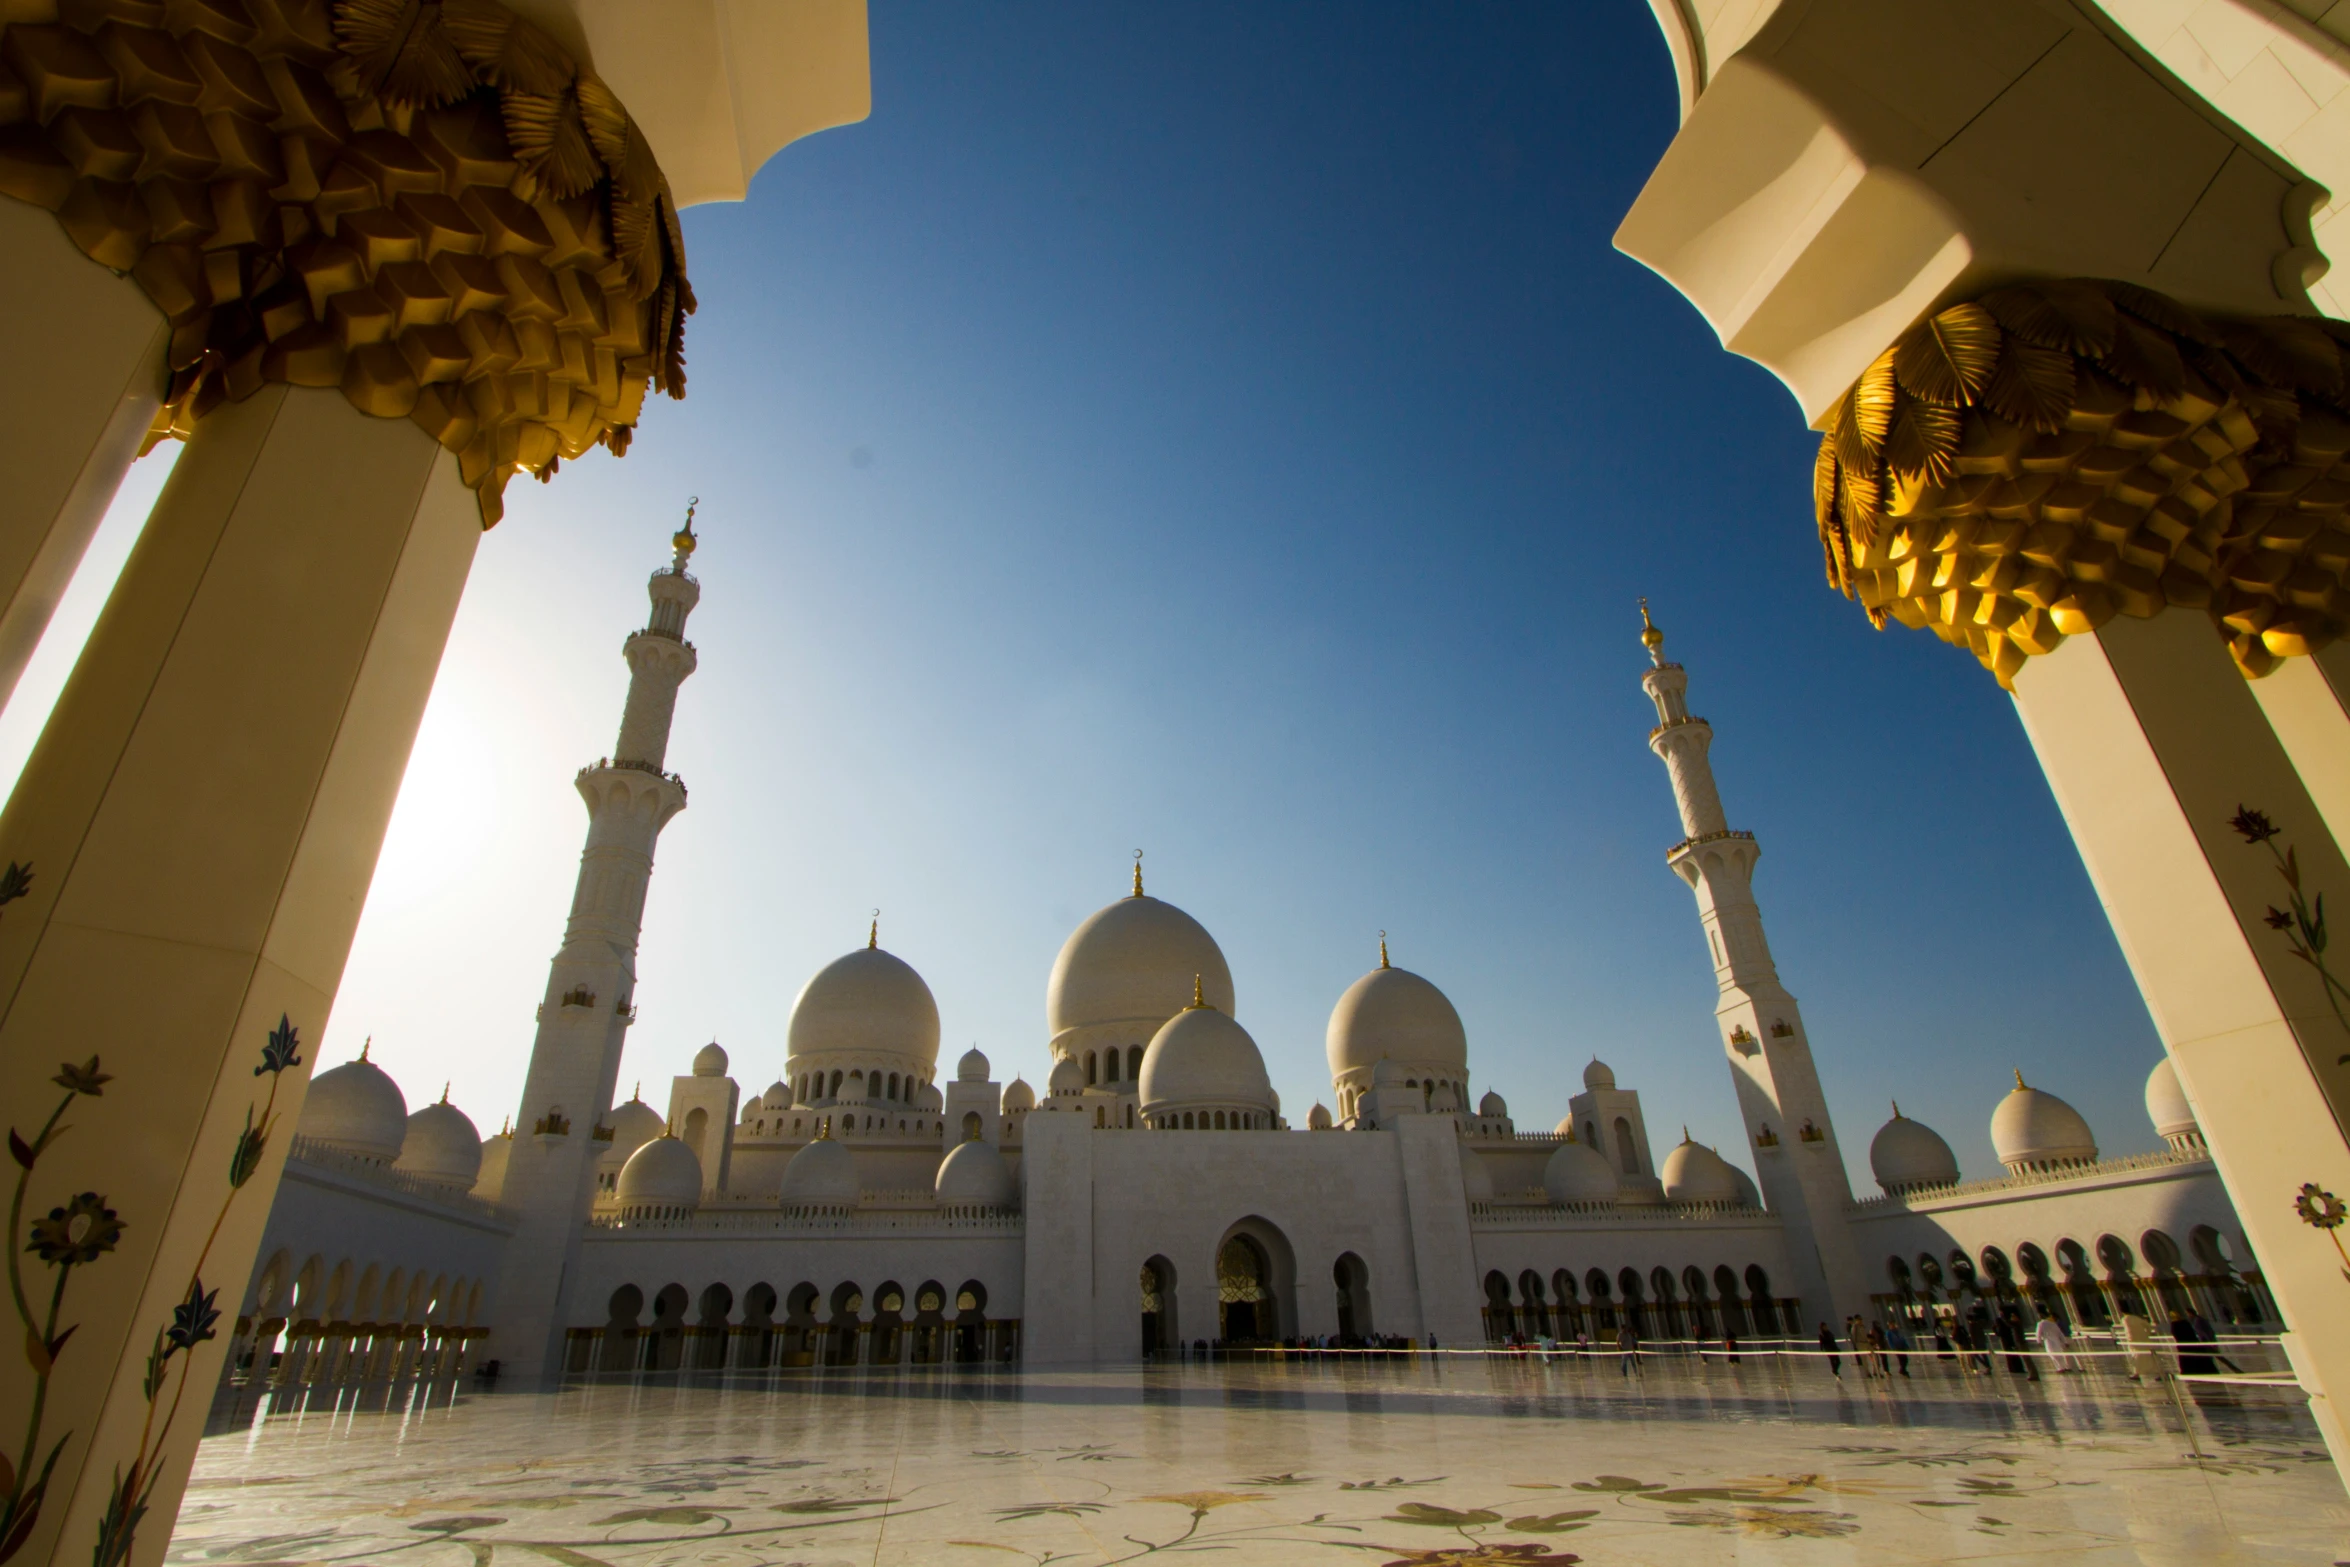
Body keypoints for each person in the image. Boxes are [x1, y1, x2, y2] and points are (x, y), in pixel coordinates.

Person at [1996, 1308, 2038, 1381]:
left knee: (2027, 1360)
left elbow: (2008, 1323)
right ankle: (2032, 1374)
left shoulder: (2017, 1324)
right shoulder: (2016, 1324)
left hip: (2021, 1343)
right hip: (2019, 1343)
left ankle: (2034, 1374)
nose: (2012, 1318)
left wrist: (2002, 1317)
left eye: (2013, 1317)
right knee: (2026, 1360)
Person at [2121, 1311, 2157, 1381]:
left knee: (2136, 1356)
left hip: (2133, 1340)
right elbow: (2148, 1326)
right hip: (2143, 1339)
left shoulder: (2125, 1319)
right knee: (2149, 1356)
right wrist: (2147, 1333)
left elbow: (2128, 1330)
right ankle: (2157, 1371)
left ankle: (2137, 1373)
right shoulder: (2137, 1318)